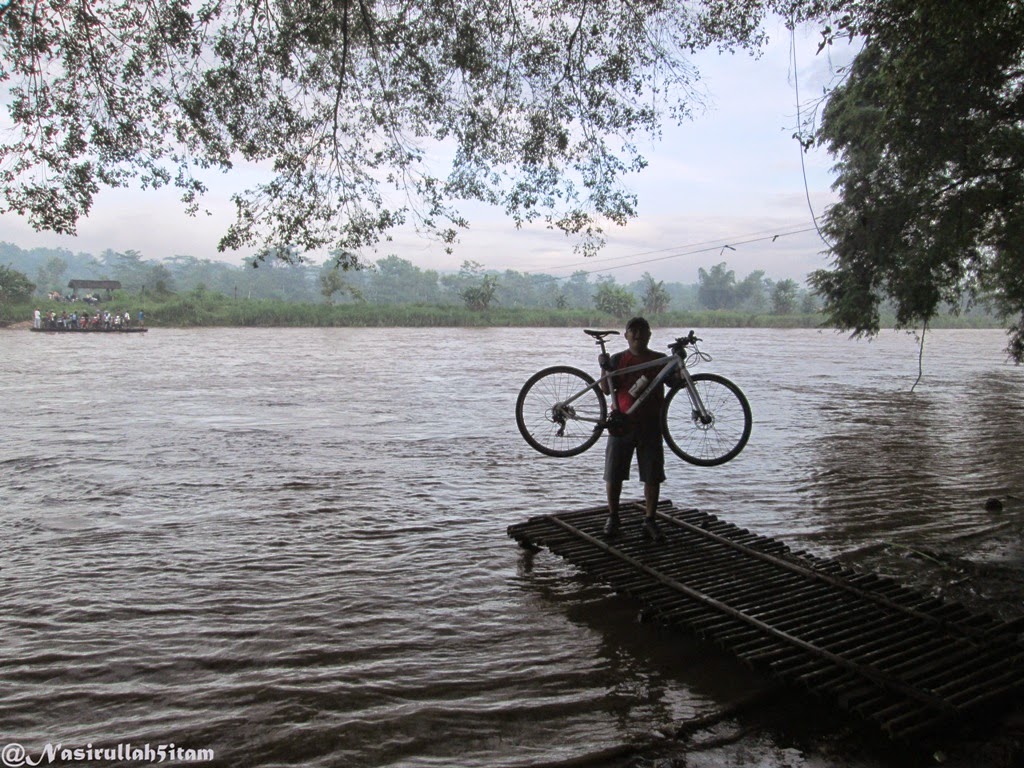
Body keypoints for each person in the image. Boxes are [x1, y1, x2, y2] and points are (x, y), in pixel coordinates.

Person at [600, 316, 667, 541]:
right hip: (621, 424)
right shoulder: (619, 359)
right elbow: (606, 390)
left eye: (642, 331)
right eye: (633, 331)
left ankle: (649, 519)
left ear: (649, 335)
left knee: (652, 475)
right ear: (627, 335)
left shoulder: (660, 360)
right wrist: (604, 368)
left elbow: (676, 382)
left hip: (651, 423)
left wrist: (681, 364)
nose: (638, 335)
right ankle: (613, 516)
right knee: (614, 473)